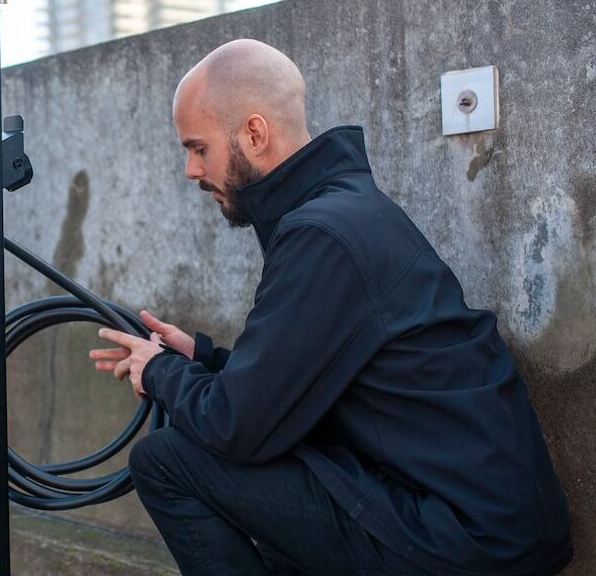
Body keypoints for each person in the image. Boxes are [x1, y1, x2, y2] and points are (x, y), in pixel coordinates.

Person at [91, 39, 572, 575]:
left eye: (198, 148)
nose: (190, 169)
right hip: (484, 525)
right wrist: (200, 357)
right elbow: (296, 386)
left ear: (254, 133)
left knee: (164, 460)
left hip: (462, 539)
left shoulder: (323, 236)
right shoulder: (344, 213)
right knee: (283, 465)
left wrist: (159, 372)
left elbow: (236, 427)